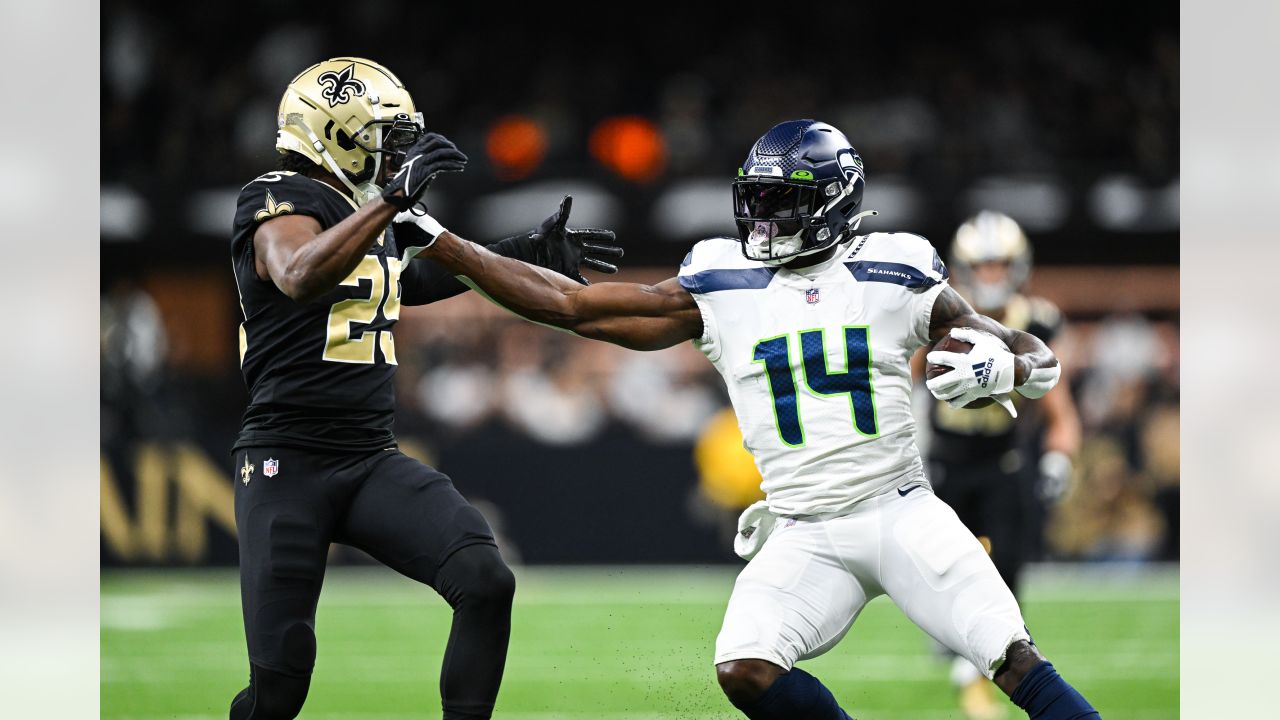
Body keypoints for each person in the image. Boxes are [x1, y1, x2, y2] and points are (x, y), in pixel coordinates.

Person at [414, 119, 1101, 719]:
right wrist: (447, 245)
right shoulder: (722, 282)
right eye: (758, 200)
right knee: (745, 667)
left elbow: (1026, 351)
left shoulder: (895, 268)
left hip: (901, 512)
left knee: (1013, 662)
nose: (764, 219)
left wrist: (1011, 368)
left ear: (834, 201)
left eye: (783, 201)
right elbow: (572, 309)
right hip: (805, 530)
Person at [227, 57, 621, 720]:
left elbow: (413, 281)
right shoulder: (276, 196)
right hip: (285, 461)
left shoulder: (370, 212)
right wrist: (387, 203)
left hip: (367, 455)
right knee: (280, 688)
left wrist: (526, 249)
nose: (397, 150)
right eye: (384, 133)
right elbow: (297, 273)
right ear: (337, 132)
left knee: (484, 579)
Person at [922, 211, 1083, 719]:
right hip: (943, 461)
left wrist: (1059, 458)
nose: (991, 275)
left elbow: (1060, 408)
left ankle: (991, 659)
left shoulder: (1035, 320)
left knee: (1008, 564)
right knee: (939, 569)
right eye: (982, 265)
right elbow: (898, 382)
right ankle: (960, 642)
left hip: (1003, 460)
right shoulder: (937, 312)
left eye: (1000, 265)